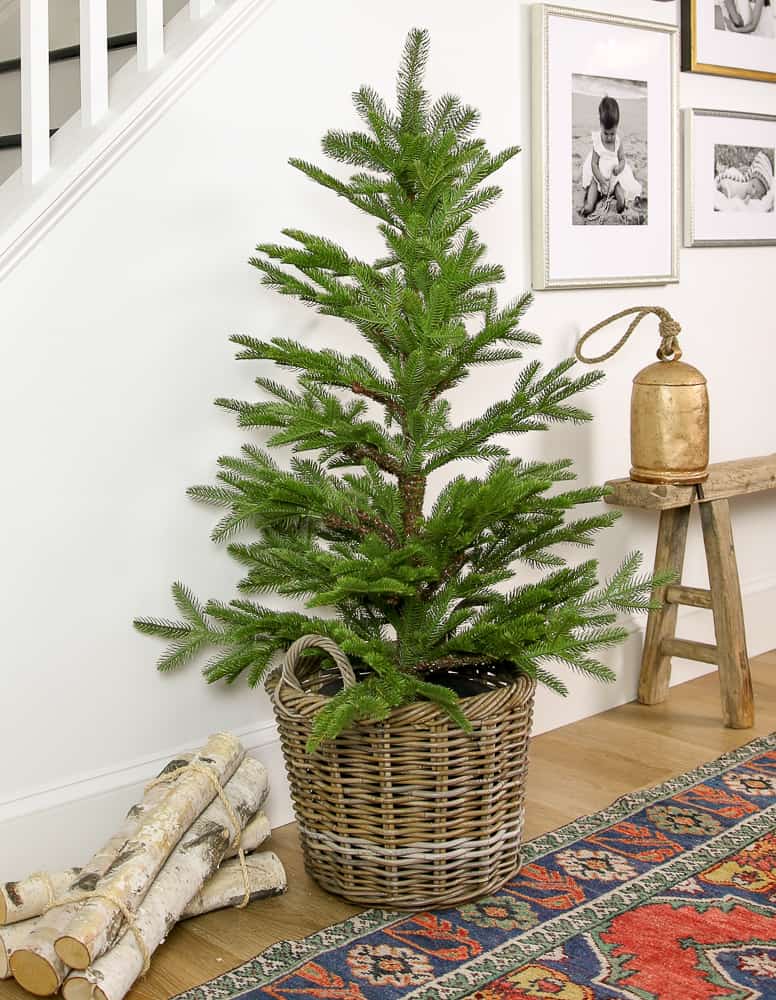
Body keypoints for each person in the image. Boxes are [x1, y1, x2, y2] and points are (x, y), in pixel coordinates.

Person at [580, 96, 642, 220]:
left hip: (614, 174)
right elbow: (594, 164)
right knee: (593, 185)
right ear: (601, 125)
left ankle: (621, 202)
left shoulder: (618, 141)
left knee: (619, 185)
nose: (609, 137)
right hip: (599, 174)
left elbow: (622, 159)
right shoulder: (597, 141)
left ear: (617, 127)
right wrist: (601, 181)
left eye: (612, 133)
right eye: (606, 133)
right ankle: (590, 205)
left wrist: (619, 168)